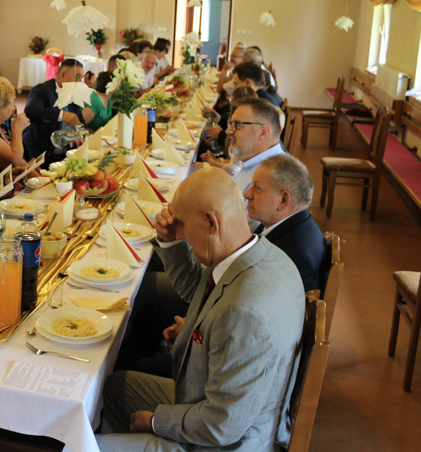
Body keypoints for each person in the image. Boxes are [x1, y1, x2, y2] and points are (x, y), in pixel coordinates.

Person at [98, 167, 304, 452]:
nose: (180, 233)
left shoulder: (243, 313)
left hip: (226, 442)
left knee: (84, 446)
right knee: (115, 387)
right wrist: (169, 240)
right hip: (216, 405)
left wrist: (156, 422)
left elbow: (222, 425)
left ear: (211, 222)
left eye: (181, 224)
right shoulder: (261, 254)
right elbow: (198, 291)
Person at [244, 154, 328, 293]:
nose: (247, 194)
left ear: (283, 200)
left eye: (257, 188)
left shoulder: (293, 256)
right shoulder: (284, 223)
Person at [23, 58, 84, 165]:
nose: (80, 82)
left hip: (64, 155)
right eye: (77, 77)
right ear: (62, 75)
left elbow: (80, 122)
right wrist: (61, 115)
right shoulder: (42, 90)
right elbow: (31, 111)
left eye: (81, 78)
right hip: (39, 154)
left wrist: (78, 133)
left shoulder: (74, 95)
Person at [0, 79, 31, 170]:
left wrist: (40, 176)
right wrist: (17, 130)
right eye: (12, 104)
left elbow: (22, 161)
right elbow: (15, 162)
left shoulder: (1, 125)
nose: (13, 108)